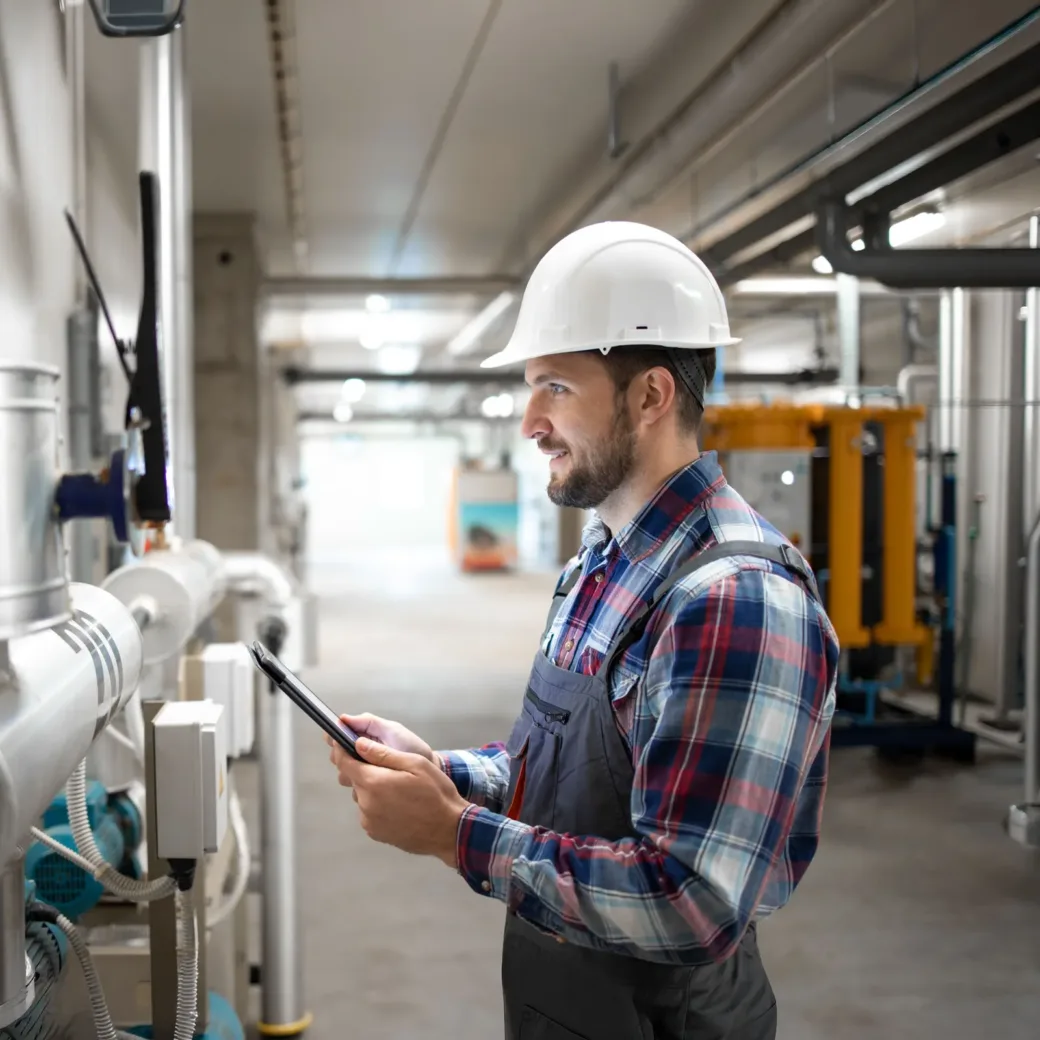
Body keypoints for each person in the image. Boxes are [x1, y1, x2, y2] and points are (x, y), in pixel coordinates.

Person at [328, 221, 840, 1040]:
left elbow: (691, 902)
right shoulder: (599, 563)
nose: (530, 421)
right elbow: (568, 778)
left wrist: (456, 834)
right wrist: (441, 771)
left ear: (650, 397)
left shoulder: (734, 598)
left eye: (556, 388)